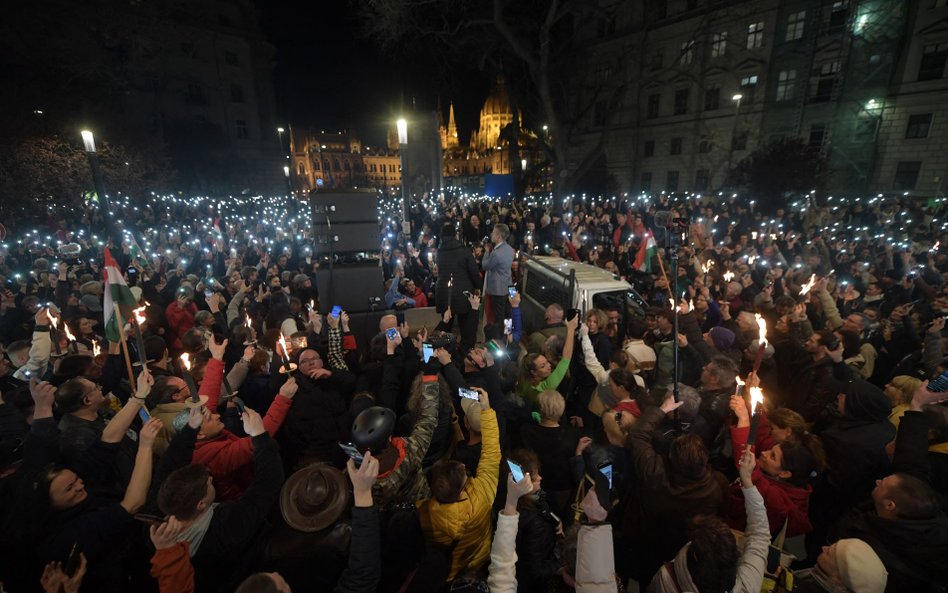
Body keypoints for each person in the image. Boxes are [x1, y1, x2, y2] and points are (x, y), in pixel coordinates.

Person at [155, 405, 285, 593]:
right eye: (209, 484)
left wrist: (191, 427)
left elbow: (168, 464)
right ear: (202, 504)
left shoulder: (159, 525)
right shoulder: (226, 527)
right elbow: (267, 485)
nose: (212, 482)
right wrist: (259, 436)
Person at [231, 452, 382, 593]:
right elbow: (361, 578)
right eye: (283, 584)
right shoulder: (344, 537)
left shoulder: (268, 545)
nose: (276, 573)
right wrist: (363, 493)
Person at [647, 449, 769, 593]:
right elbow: (760, 536)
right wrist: (747, 481)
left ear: (694, 555)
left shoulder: (665, 578)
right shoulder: (747, 587)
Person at [417, 388, 500, 581]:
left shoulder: (425, 512)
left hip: (449, 572)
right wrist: (487, 410)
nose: (463, 465)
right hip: (479, 559)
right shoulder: (482, 495)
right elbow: (492, 453)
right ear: (463, 486)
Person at [481, 223, 515, 327]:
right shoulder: (510, 249)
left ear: (498, 236)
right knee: (508, 314)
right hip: (510, 286)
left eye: (493, 233)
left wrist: (487, 252)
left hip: (498, 289)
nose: (491, 235)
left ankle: (501, 338)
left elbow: (485, 266)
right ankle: (508, 334)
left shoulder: (496, 253)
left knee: (499, 317)